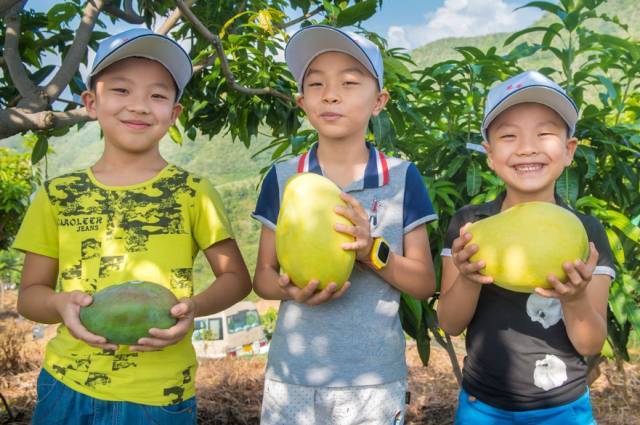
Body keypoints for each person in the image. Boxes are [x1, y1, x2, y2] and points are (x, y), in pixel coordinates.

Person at [13, 28, 251, 425]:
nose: (140, 106)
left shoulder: (193, 191)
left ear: (173, 114)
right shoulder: (56, 194)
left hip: (160, 393)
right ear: (91, 102)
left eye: (157, 95)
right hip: (67, 385)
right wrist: (59, 304)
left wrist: (195, 307)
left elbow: (236, 279)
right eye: (121, 91)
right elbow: (29, 297)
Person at [252, 25, 438, 425]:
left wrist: (371, 250)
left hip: (372, 379)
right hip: (293, 376)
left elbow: (424, 283)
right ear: (302, 102)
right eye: (316, 84)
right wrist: (289, 289)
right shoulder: (283, 178)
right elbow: (263, 278)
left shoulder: (402, 177)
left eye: (350, 83)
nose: (331, 94)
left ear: (379, 101)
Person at [437, 70, 616, 425]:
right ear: (489, 154)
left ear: (568, 151)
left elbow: (591, 344)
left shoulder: (586, 232)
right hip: (482, 405)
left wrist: (575, 297)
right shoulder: (471, 226)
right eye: (508, 135)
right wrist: (470, 278)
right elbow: (450, 323)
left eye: (545, 133)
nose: (527, 147)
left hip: (563, 408)